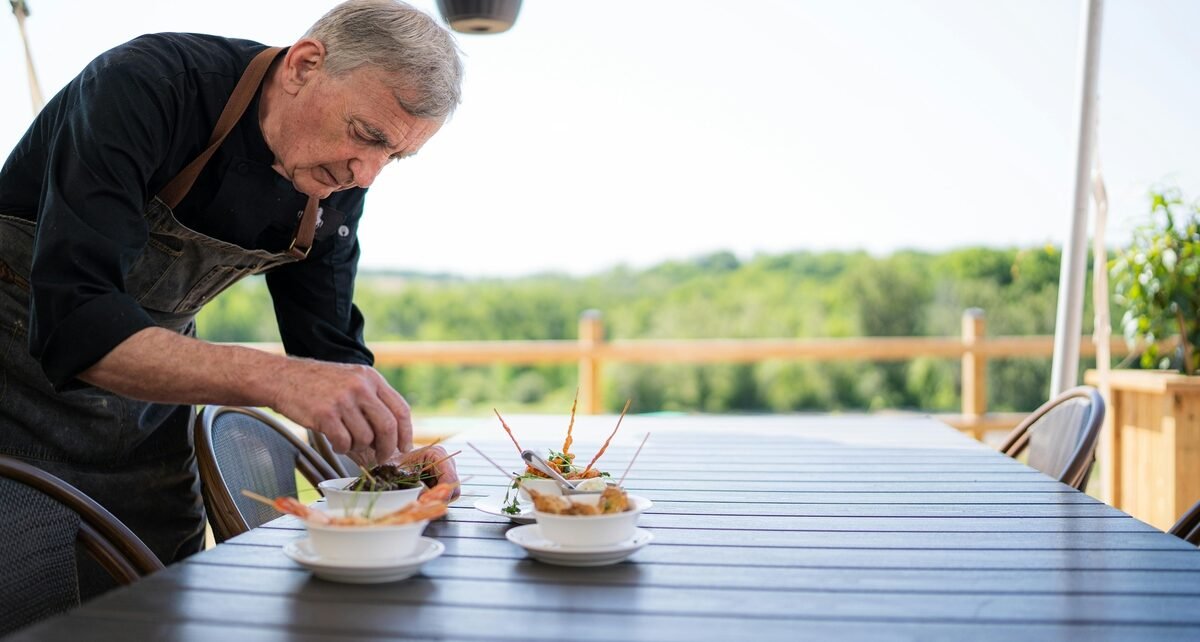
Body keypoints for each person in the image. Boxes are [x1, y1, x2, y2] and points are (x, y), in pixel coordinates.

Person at [0, 0, 462, 595]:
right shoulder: (150, 85)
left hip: (149, 420)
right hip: (15, 397)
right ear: (304, 65)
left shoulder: (335, 173)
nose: (366, 174)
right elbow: (75, 319)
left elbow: (328, 347)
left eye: (393, 155)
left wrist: (390, 461)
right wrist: (278, 380)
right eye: (366, 135)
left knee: (161, 603)